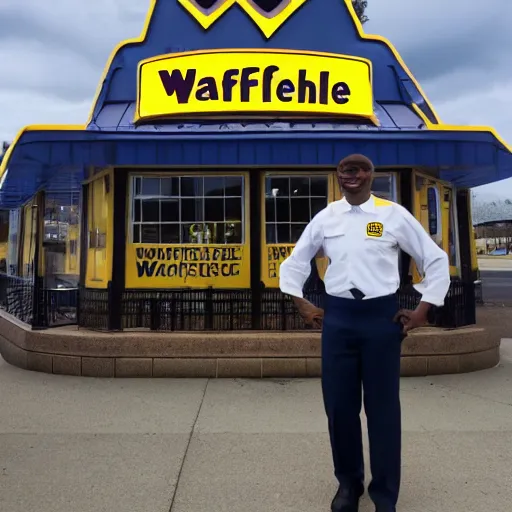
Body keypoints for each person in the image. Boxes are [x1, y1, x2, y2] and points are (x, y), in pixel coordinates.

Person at [279, 154, 450, 512]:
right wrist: (303, 304)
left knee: (383, 411)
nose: (350, 176)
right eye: (344, 170)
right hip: (338, 319)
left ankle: (385, 494)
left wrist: (422, 310)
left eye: (357, 170)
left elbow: (433, 259)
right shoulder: (327, 218)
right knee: (340, 409)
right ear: (338, 176)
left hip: (380, 320)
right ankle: (348, 485)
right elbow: (295, 262)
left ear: (371, 175)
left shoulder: (392, 215)